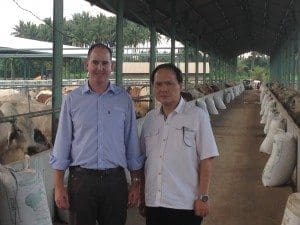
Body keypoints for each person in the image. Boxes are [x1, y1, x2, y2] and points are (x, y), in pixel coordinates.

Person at [50, 43, 144, 225]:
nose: (99, 68)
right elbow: (62, 144)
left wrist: (135, 182)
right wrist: (59, 186)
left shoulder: (123, 99)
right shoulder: (72, 100)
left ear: (112, 66)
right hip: (81, 182)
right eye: (95, 62)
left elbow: (132, 144)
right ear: (87, 65)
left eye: (104, 63)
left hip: (115, 181)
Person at [139, 63, 219, 225]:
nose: (164, 89)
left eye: (169, 83)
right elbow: (143, 161)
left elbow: (207, 159)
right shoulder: (149, 119)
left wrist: (203, 197)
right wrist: (142, 194)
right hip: (154, 202)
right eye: (159, 84)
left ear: (180, 85)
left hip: (185, 204)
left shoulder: (197, 116)